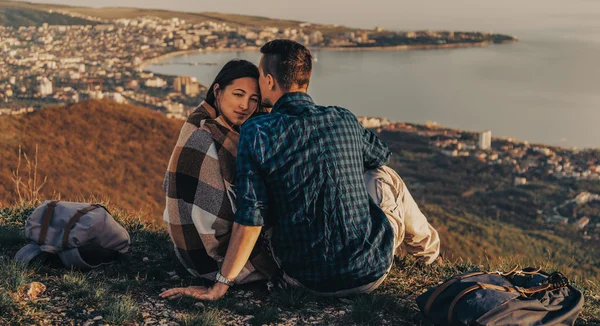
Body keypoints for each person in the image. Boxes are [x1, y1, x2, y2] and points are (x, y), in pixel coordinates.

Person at [160, 40, 440, 301]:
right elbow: (380, 155)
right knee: (384, 176)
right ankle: (429, 257)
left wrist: (220, 285)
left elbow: (251, 216)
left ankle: (426, 255)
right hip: (370, 273)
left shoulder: (257, 132)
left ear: (268, 81)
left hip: (303, 280)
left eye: (259, 77)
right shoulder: (342, 118)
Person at [162, 59, 279, 288]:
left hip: (192, 257)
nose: (245, 105)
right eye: (238, 94)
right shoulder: (205, 139)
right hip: (215, 262)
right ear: (218, 90)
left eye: (253, 99)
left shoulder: (200, 124)